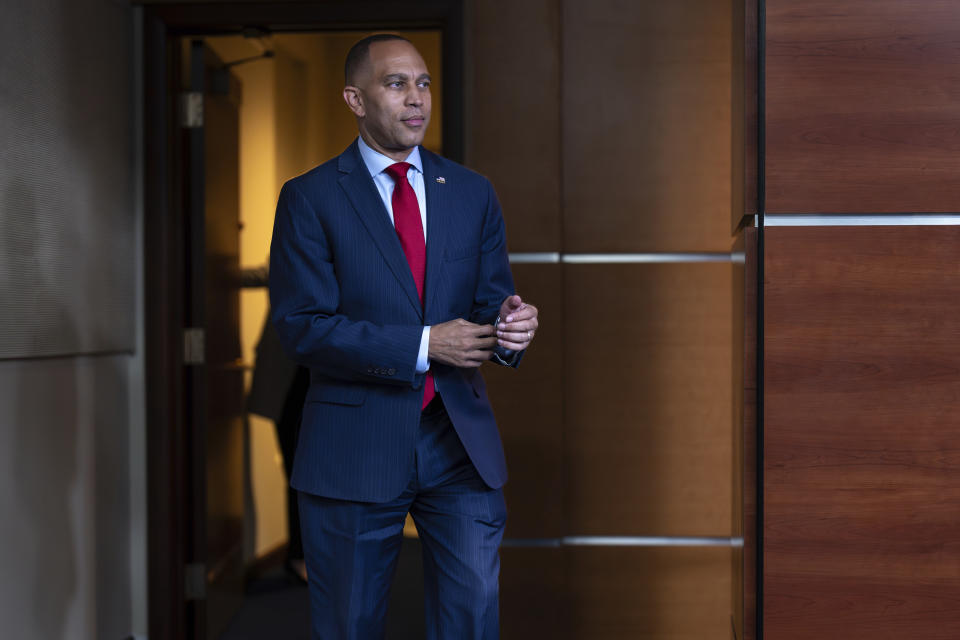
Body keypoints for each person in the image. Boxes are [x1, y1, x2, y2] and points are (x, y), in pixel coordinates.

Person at [269, 33, 538, 639]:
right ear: (354, 99)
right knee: (349, 623)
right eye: (396, 84)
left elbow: (489, 304)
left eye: (423, 83)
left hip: (457, 442)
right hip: (354, 446)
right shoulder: (310, 198)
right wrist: (423, 346)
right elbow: (302, 328)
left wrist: (511, 330)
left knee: (472, 617)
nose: (416, 99)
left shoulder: (471, 191)